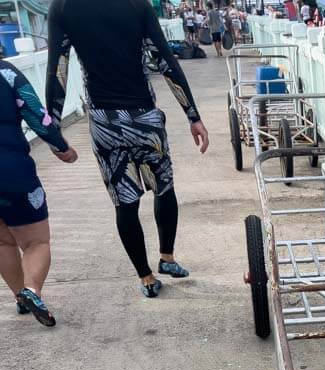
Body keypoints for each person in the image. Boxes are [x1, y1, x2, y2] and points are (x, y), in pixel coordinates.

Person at [46, 0, 210, 299]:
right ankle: (168, 258)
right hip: (145, 117)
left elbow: (57, 68)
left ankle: (146, 278)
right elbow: (165, 60)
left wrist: (53, 129)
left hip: (104, 121)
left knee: (125, 202)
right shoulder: (137, 4)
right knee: (164, 187)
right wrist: (193, 115)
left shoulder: (64, 7)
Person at [0, 59, 78, 326]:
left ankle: (21, 298)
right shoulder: (5, 72)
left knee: (2, 242)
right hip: (12, 172)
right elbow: (35, 112)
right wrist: (61, 146)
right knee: (36, 242)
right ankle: (31, 290)